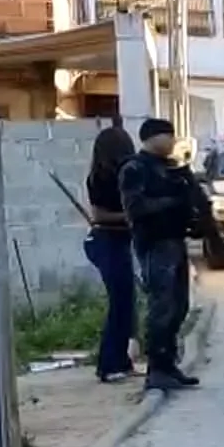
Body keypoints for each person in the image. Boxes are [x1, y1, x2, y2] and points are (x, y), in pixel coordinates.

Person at [119, 118, 201, 392]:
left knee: (179, 305)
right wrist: (174, 201)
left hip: (175, 241)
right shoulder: (135, 169)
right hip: (154, 244)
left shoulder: (170, 168)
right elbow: (136, 207)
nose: (172, 141)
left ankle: (168, 364)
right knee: (162, 306)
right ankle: (157, 369)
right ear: (151, 138)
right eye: (168, 136)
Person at [83, 125, 137, 383]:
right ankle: (108, 365)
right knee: (119, 304)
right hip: (105, 240)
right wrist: (131, 217)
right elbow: (99, 215)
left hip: (117, 242)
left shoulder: (126, 175)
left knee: (126, 303)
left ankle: (122, 361)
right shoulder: (100, 178)